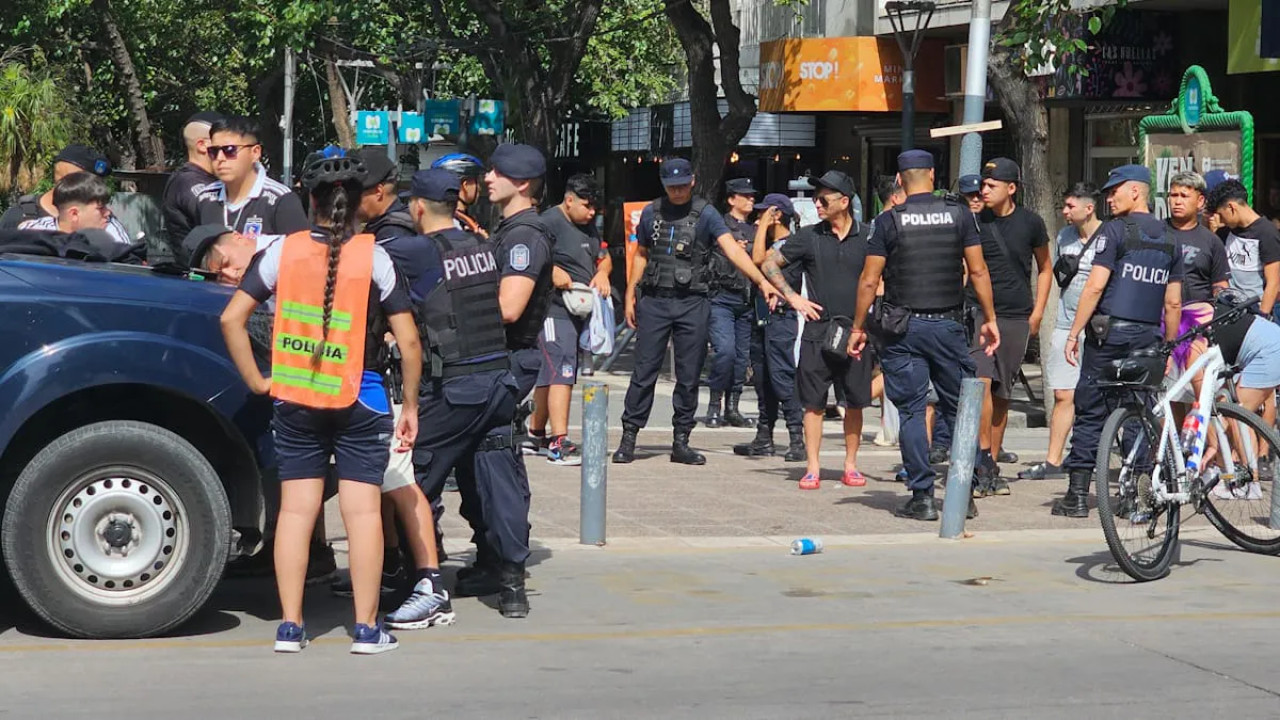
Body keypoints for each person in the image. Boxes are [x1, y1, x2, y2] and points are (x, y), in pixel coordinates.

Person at [219, 152, 422, 654]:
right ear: (358, 204)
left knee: (295, 513)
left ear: (309, 201)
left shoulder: (280, 253)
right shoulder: (375, 256)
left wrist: (258, 379)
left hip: (294, 398)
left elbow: (231, 319)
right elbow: (411, 342)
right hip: (363, 397)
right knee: (363, 516)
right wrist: (412, 405)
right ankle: (367, 630)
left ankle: (290, 627)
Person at [386, 168, 532, 619]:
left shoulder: (414, 250)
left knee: (406, 477)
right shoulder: (483, 246)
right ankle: (512, 587)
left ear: (417, 207)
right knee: (499, 479)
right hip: (499, 384)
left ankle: (419, 578)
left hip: (454, 388)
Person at [848, 150, 997, 521]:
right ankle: (964, 491)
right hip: (948, 325)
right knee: (959, 407)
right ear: (932, 174)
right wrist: (990, 318)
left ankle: (923, 496)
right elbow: (977, 272)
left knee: (913, 411)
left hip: (903, 328)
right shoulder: (959, 214)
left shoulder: (888, 221)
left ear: (900, 180)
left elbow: (869, 279)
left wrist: (857, 326)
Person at [613, 158, 780, 465]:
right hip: (655, 300)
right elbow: (641, 254)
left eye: (682, 185)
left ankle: (681, 440)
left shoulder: (706, 214)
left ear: (692, 181)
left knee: (689, 375)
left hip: (692, 302)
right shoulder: (651, 213)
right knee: (643, 372)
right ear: (663, 185)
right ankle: (629, 437)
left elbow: (732, 249)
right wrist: (629, 293)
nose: (677, 191)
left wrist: (761, 280)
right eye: (671, 186)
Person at [1053, 164, 1183, 518]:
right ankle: (1132, 497)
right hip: (1146, 338)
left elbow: (1095, 286)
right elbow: (1173, 302)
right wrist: (1168, 346)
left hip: (1107, 335)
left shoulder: (1115, 231)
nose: (1109, 198)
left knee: (1091, 409)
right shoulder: (1171, 238)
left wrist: (1075, 332)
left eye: (1115, 191)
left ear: (1137, 192)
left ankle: (1078, 495)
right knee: (1137, 414)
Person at [763, 170, 873, 489]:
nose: (817, 204)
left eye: (823, 198)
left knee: (853, 402)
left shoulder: (868, 236)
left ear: (844, 201)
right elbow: (769, 263)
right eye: (815, 199)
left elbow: (885, 274)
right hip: (817, 331)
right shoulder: (809, 236)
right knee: (812, 402)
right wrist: (793, 297)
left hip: (856, 332)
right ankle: (812, 466)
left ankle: (850, 465)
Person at [966, 158, 1052, 496]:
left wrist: (1038, 312)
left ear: (1011, 187)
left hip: (1017, 315)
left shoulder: (1031, 223)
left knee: (1002, 394)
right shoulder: (973, 222)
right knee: (981, 383)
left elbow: (1045, 268)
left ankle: (992, 461)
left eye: (992, 185)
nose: (984, 190)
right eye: (983, 185)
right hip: (979, 315)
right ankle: (982, 458)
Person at [1020, 183, 1102, 481]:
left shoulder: (1109, 237)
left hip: (1097, 329)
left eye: (1070, 206)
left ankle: (1087, 459)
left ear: (1088, 208)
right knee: (1063, 393)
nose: (1065, 212)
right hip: (1066, 324)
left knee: (1094, 398)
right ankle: (1053, 461)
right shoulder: (1066, 236)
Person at [528, 173, 610, 465]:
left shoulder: (589, 228)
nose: (590, 214)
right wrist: (550, 272)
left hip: (581, 308)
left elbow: (604, 255)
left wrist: (602, 272)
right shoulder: (546, 223)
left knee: (551, 372)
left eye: (594, 210)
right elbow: (527, 256)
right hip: (552, 308)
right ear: (570, 199)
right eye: (586, 207)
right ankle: (558, 441)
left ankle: (536, 432)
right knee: (561, 370)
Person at [734, 193, 805, 461]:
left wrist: (763, 225)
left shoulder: (791, 244)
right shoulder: (772, 242)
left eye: (764, 213)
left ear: (777, 216)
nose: (757, 218)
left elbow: (759, 260)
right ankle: (765, 435)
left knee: (781, 376)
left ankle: (796, 437)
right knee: (762, 378)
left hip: (782, 317)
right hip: (761, 314)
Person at [484, 144, 555, 405]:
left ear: (522, 183)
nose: (488, 178)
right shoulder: (509, 231)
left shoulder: (524, 237)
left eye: (498, 172)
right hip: (499, 357)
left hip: (510, 357)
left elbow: (509, 309)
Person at [1165, 171, 1230, 406]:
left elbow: (1220, 286)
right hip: (1161, 321)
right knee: (1169, 395)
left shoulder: (1211, 241)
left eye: (1184, 195)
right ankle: (1173, 443)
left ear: (1200, 201)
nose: (1177, 201)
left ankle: (1209, 442)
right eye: (1173, 195)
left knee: (1200, 391)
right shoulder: (1156, 233)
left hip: (1198, 326)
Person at [196, 115, 309, 241]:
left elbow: (301, 254)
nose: (220, 158)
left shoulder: (280, 200)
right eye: (214, 151)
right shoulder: (205, 198)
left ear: (255, 152)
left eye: (229, 150)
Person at [704, 177, 759, 429]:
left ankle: (733, 407)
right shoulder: (719, 227)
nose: (751, 199)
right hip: (721, 297)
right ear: (731, 199)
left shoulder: (756, 231)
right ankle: (714, 405)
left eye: (752, 195)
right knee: (724, 351)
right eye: (745, 195)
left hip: (746, 300)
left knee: (740, 357)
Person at [5, 144, 132, 244]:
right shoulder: (19, 218)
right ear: (67, 180)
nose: (97, 188)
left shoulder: (107, 224)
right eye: (88, 182)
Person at [1207, 179, 1280, 319]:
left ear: (1231, 207)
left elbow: (1273, 283)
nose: (1221, 220)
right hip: (1228, 312)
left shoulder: (1267, 233)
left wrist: (1262, 317)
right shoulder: (1227, 231)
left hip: (1254, 315)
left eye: (1221, 215)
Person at [163, 111, 223, 255]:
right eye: (223, 142)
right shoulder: (188, 182)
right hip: (198, 273)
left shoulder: (210, 180)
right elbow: (222, 227)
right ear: (202, 145)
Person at [24, 172, 115, 236]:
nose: (108, 213)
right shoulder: (33, 234)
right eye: (100, 208)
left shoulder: (112, 234)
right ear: (74, 214)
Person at [431, 153, 489, 237]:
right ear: (465, 186)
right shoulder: (453, 224)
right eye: (477, 182)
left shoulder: (440, 219)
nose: (479, 188)